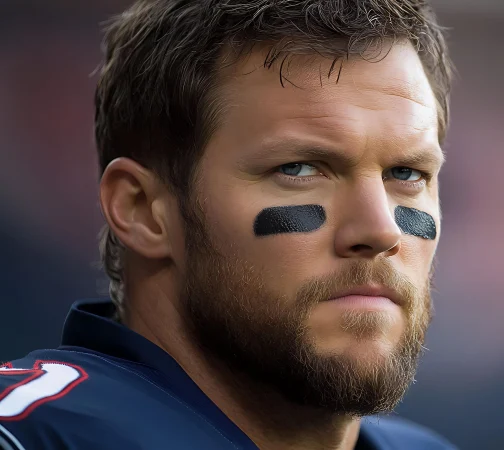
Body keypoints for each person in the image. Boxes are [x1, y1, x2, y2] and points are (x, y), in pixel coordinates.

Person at [0, 0, 455, 448]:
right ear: (142, 210)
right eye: (297, 169)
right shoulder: (35, 435)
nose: (380, 232)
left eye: (407, 174)